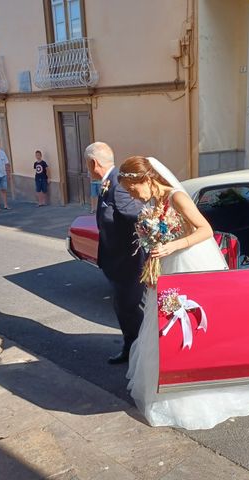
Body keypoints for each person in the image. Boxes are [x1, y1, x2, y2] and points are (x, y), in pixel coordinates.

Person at [118, 156, 249, 430]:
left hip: (190, 265)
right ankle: (171, 383)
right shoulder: (154, 203)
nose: (132, 195)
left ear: (147, 180)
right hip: (170, 266)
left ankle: (200, 386)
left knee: (195, 326)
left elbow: (205, 230)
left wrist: (172, 246)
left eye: (132, 189)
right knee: (166, 327)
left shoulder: (177, 198)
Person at [84, 142, 146, 364]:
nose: (87, 168)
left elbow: (137, 216)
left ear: (93, 163)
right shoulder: (109, 180)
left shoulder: (119, 184)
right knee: (122, 309)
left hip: (128, 264)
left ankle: (142, 354)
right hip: (116, 262)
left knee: (130, 310)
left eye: (87, 164)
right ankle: (131, 348)